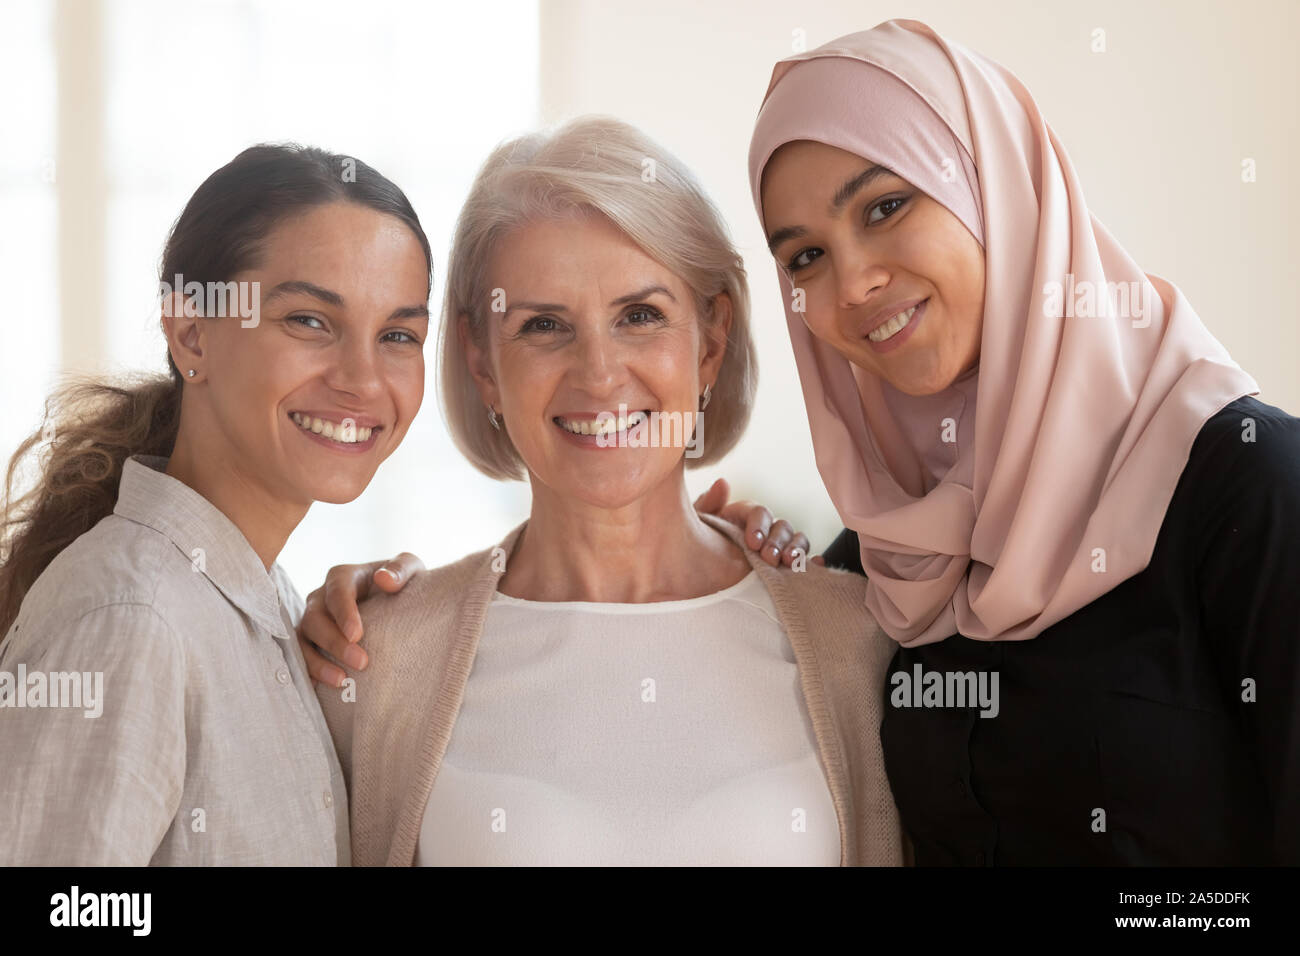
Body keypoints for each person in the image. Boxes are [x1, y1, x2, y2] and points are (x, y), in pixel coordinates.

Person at [748, 18, 1300, 864]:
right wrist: (749, 587)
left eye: (886, 206)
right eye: (806, 258)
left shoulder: (1253, 489)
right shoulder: (885, 554)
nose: (852, 282)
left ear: (995, 188)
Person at [310, 116, 905, 866]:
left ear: (711, 341)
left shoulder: (862, 638)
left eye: (640, 316)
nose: (598, 373)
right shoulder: (374, 659)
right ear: (482, 361)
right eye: (544, 325)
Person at [0, 143, 432, 864]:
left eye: (397, 335)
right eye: (310, 321)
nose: (362, 378)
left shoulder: (264, 605)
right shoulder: (134, 622)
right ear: (190, 332)